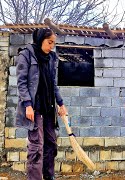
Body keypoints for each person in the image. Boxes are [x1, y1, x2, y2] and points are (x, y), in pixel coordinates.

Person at [16, 28, 68, 180]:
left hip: (48, 108)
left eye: (54, 43)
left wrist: (61, 103)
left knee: (51, 144)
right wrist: (27, 105)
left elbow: (52, 83)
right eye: (49, 42)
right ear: (40, 40)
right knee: (36, 147)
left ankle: (48, 176)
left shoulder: (51, 57)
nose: (52, 46)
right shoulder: (26, 55)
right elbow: (21, 83)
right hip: (34, 108)